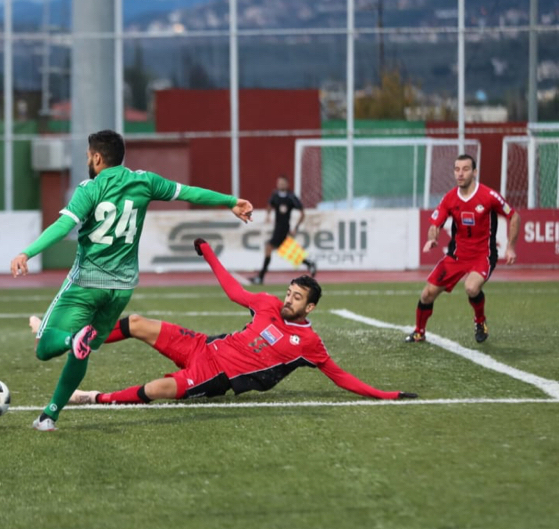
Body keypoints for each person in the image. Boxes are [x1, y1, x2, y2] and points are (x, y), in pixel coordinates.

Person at [10, 129, 254, 431]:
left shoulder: (89, 188)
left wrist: (27, 252)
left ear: (97, 157)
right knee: (82, 351)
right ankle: (49, 416)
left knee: (45, 345)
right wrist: (231, 201)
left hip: (87, 282)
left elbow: (64, 226)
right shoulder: (145, 181)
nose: (88, 160)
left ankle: (71, 341)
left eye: (88, 156)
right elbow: (189, 192)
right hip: (122, 289)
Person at [67, 237, 416, 405]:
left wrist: (384, 394)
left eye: (296, 298)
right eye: (289, 292)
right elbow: (234, 291)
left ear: (309, 308)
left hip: (217, 375)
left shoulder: (308, 344)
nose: (288, 299)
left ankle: (94, 397)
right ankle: (76, 340)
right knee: (137, 322)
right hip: (204, 345)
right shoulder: (266, 304)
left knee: (157, 389)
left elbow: (341, 377)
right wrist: (208, 254)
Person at [405, 153, 520, 344]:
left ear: (474, 172)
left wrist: (511, 247)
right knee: (427, 294)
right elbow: (435, 224)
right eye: (457, 169)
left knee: (471, 287)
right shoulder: (449, 198)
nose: (460, 173)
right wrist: (432, 238)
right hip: (457, 256)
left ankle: (480, 321)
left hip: (483, 255)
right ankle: (419, 332)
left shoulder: (489, 196)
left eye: (465, 169)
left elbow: (514, 216)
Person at [250, 175, 316, 285]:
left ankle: (260, 277)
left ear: (287, 184)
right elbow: (270, 205)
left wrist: (296, 227)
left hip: (283, 228)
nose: (280, 184)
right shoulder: (275, 195)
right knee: (286, 250)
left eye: (282, 183)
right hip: (277, 227)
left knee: (269, 247)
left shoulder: (291, 197)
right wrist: (268, 215)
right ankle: (310, 264)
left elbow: (302, 213)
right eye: (278, 183)